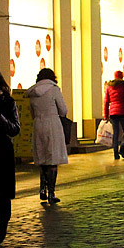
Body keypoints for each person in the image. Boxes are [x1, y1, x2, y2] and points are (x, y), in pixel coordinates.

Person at [27, 68, 68, 203]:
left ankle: (42, 189)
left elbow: (32, 113)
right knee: (52, 159)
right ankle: (51, 193)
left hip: (38, 124)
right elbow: (63, 110)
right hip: (52, 124)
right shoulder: (54, 89)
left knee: (42, 158)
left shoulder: (33, 92)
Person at [0, 68, 20, 245]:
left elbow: (15, 128)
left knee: (2, 194)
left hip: (1, 152)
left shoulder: (7, 101)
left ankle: (1, 229)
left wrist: (0, 118)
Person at [103, 70, 124, 160]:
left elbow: (106, 102)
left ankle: (115, 152)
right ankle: (122, 148)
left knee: (115, 133)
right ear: (122, 76)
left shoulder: (109, 87)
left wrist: (106, 115)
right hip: (123, 111)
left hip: (113, 113)